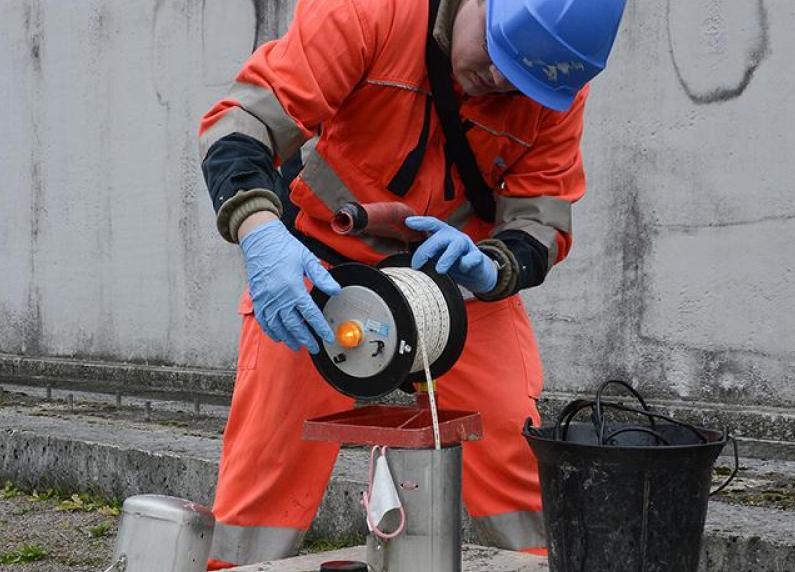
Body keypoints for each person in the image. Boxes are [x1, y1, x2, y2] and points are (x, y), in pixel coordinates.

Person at [197, 0, 626, 567]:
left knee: (513, 458)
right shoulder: (369, 12)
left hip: (456, 284)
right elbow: (242, 121)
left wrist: (494, 266)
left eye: (520, 77)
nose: (499, 81)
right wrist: (258, 232)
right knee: (267, 466)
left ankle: (540, 562)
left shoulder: (551, 82)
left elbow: (542, 218)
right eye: (499, 56)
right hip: (320, 269)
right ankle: (237, 566)